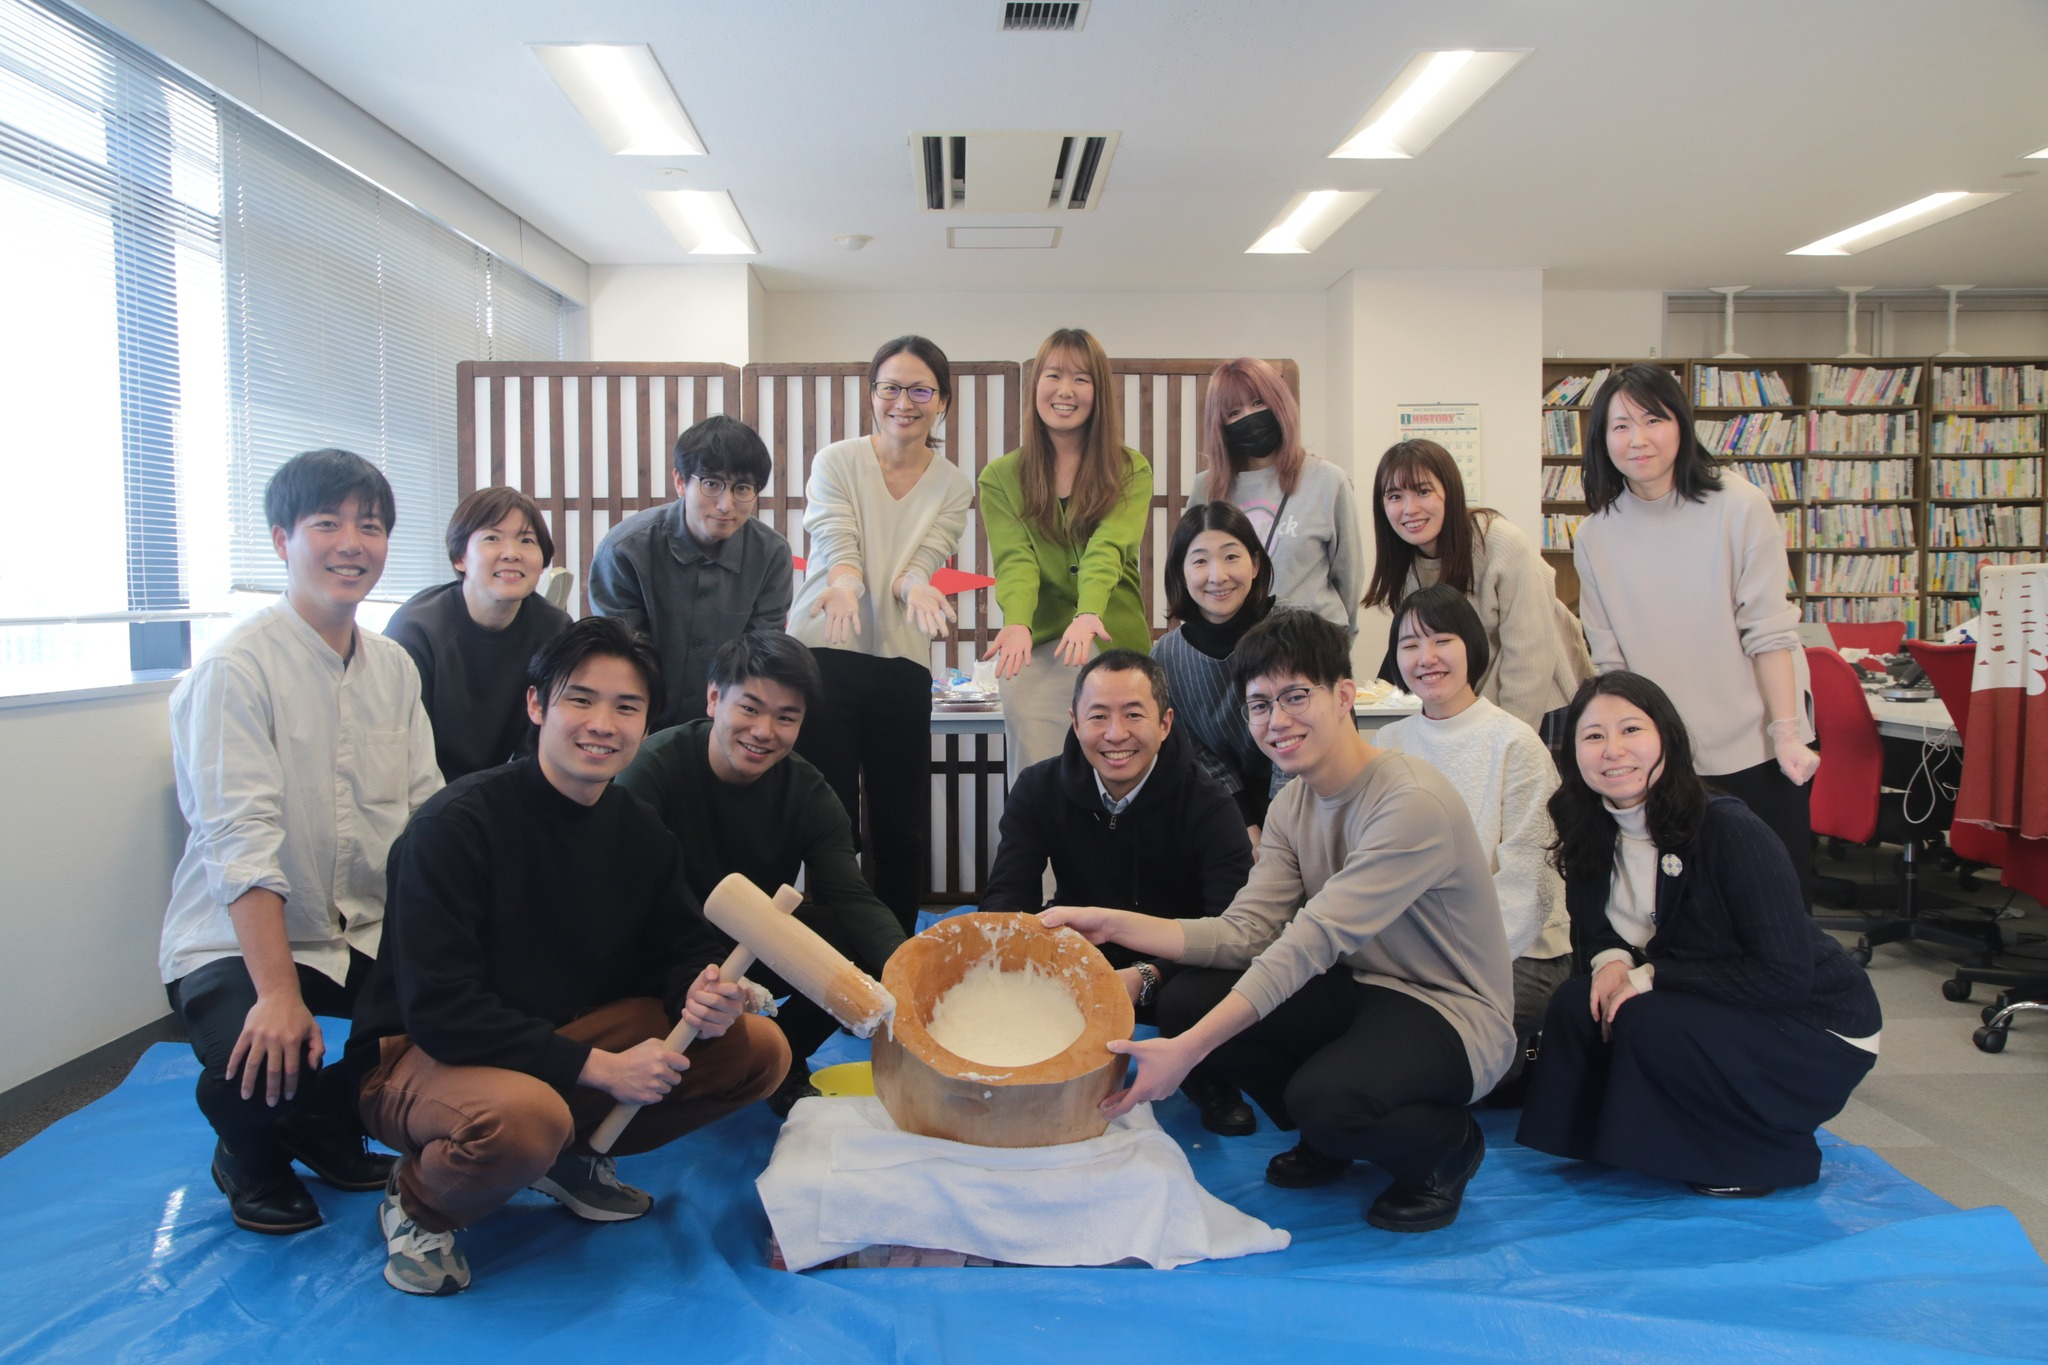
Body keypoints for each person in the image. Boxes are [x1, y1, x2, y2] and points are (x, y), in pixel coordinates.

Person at [349, 617, 790, 1295]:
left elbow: (672, 950)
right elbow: (440, 1009)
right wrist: (602, 1067)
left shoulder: (638, 829)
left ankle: (569, 1160)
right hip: (423, 1053)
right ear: (537, 705)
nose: (603, 723)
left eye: (626, 706)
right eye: (580, 700)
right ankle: (416, 1202)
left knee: (755, 1047)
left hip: (549, 1044)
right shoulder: (456, 826)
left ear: (647, 719)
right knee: (528, 1119)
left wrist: (698, 989)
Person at [1045, 611, 1514, 1234]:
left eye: (1296, 696)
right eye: (1260, 704)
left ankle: (1444, 1149)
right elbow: (1245, 931)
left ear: (1344, 696)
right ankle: (1333, 1132)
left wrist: (1185, 1054)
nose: (1277, 721)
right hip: (1361, 989)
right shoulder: (1294, 800)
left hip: (1451, 1011)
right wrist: (1113, 923)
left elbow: (1309, 942)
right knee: (1187, 997)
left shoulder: (1409, 802)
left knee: (1320, 1097)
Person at [159, 449, 441, 1236]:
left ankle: (321, 1126)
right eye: (328, 523)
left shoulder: (394, 666)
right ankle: (250, 1155)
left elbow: (424, 813)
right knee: (257, 1059)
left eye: (371, 525)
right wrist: (279, 995)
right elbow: (239, 839)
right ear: (282, 539)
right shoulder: (235, 671)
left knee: (448, 1026)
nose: (352, 542)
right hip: (240, 940)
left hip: (361, 927)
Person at [1516, 672, 1879, 1198]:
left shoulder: (1730, 830)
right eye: (1593, 736)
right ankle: (1611, 1140)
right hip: (1727, 1006)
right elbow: (1594, 930)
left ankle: (1754, 1157)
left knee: (1646, 1013)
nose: (1612, 750)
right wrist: (1612, 960)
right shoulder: (1589, 824)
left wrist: (1652, 975)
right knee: (1579, 1001)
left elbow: (1783, 976)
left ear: (1667, 737)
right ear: (1572, 753)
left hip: (1815, 1026)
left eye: (1630, 730)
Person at [615, 631, 904, 1115]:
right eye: (749, 708)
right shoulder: (652, 772)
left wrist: (908, 966)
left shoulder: (808, 792)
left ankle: (782, 1059)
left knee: (854, 944)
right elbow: (623, 898)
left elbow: (851, 897)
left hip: (751, 943)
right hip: (661, 949)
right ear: (713, 698)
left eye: (785, 717)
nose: (764, 730)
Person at [980, 650, 1257, 1134]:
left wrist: (1149, 975)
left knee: (1192, 998)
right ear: (1074, 721)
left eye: (1133, 714)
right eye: (1098, 716)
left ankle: (1210, 1077)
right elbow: (1007, 898)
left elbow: (1231, 930)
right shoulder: (1038, 788)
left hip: (1179, 958)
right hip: (1088, 949)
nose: (1115, 735)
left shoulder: (1208, 802)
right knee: (1006, 960)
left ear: (1166, 722)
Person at [1572, 363, 1817, 889]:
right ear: (1602, 440)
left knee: (1773, 902)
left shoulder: (1741, 506)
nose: (1638, 439)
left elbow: (1770, 632)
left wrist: (1787, 734)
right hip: (1663, 758)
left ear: (1680, 424)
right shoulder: (1595, 536)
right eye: (1620, 426)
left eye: (1652, 420)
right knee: (1683, 910)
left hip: (1757, 746)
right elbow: (1611, 665)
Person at [790, 336, 974, 933]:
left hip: (900, 656)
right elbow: (836, 537)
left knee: (901, 819)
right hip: (827, 646)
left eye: (920, 389)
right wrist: (845, 582)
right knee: (831, 817)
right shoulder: (837, 461)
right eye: (890, 387)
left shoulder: (953, 484)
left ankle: (893, 950)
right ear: (872, 395)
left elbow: (922, 557)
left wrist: (913, 586)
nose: (904, 402)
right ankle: (832, 952)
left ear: (942, 400)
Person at [1371, 585, 1572, 1059]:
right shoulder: (1387, 743)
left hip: (1516, 953)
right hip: (1415, 954)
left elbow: (1530, 882)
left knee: (1427, 1043)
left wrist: (1449, 962)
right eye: (1410, 644)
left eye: (1442, 640)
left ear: (1472, 646)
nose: (1427, 657)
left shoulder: (1515, 744)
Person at [979, 327, 1152, 780]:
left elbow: (1109, 545)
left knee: (1119, 773)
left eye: (1082, 378)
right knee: (1039, 776)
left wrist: (1090, 609)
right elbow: (1015, 559)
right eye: (1053, 375)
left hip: (1113, 639)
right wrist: (1016, 620)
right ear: (1035, 385)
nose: (1065, 390)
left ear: (1099, 392)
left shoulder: (1130, 467)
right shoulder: (1001, 477)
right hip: (1035, 647)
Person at [1362, 437, 1590, 733]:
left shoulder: (1501, 544)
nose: (1410, 509)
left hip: (1544, 707)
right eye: (1394, 496)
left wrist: (1511, 739)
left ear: (1451, 492)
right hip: (1475, 714)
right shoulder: (1406, 565)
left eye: (1423, 491)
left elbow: (1530, 659)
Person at [588, 414, 794, 726]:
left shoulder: (771, 554)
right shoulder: (626, 549)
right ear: (681, 482)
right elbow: (619, 656)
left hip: (726, 725)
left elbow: (757, 657)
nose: (726, 504)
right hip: (638, 721)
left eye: (742, 488)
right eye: (711, 484)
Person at [383, 485, 572, 781]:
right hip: (424, 794)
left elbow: (543, 741)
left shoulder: (555, 629)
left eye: (526, 540)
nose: (511, 553)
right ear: (460, 557)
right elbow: (398, 746)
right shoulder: (416, 629)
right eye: (492, 538)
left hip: (507, 795)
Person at [1190, 356, 1363, 638]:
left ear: (1280, 403)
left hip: (1312, 647)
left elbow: (1349, 579)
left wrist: (1339, 644)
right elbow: (1192, 572)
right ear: (1220, 425)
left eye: (1258, 403)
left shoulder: (1329, 481)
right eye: (1233, 412)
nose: (1248, 417)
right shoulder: (1205, 489)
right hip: (1235, 649)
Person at [1150, 501, 1278, 843]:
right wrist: (1245, 825)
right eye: (1200, 561)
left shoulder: (1292, 633)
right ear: (1181, 572)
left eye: (1231, 556)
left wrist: (1280, 831)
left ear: (1254, 564)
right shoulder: (1167, 656)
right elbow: (1193, 751)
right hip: (1223, 804)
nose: (1217, 575)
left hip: (1306, 794)